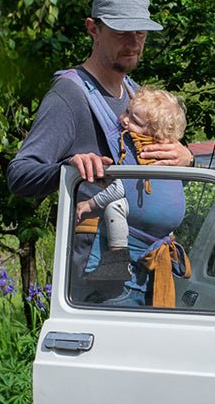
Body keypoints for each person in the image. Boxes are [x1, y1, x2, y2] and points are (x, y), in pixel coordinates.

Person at [6, 0, 191, 404]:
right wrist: (68, 167)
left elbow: (164, 172)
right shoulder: (70, 94)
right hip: (106, 273)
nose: (135, 40)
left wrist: (187, 159)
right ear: (93, 28)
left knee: (142, 402)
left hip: (151, 271)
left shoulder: (138, 95)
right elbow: (21, 174)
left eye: (142, 30)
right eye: (123, 30)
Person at [74, 85, 188, 281]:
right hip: (168, 228)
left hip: (142, 226)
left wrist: (89, 204)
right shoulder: (170, 155)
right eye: (127, 111)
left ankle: (117, 261)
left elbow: (120, 189)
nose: (123, 119)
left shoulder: (137, 150)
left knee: (114, 206)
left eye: (134, 120)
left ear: (155, 133)